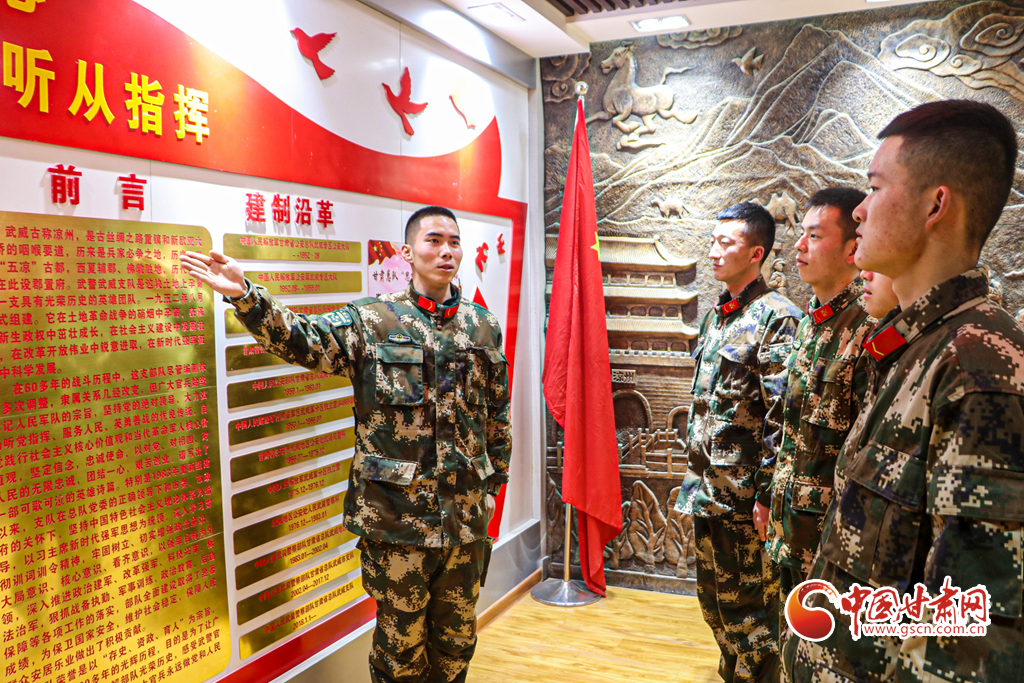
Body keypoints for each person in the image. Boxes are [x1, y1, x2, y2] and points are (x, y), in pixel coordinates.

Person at [180, 206, 511, 683]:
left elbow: (496, 415)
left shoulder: (482, 326)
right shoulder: (372, 320)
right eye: (434, 240)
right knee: (399, 655)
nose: (446, 252)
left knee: (456, 647)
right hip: (398, 523)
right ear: (407, 252)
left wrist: (493, 485)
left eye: (454, 242)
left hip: (465, 524)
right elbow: (305, 339)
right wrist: (246, 296)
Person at [786, 100, 1024, 681]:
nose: (860, 211)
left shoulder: (977, 369)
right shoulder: (916, 345)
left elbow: (972, 640)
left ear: (935, 205)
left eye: (874, 188)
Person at [676, 202, 802, 683]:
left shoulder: (777, 317)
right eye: (713, 241)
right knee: (715, 606)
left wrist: (767, 496)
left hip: (746, 503)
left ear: (756, 253)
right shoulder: (718, 317)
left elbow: (781, 417)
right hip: (709, 493)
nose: (713, 251)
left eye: (725, 243)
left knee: (752, 617)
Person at [760, 188, 874, 665]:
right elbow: (790, 428)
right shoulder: (812, 323)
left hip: (832, 546)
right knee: (788, 652)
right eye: (800, 234)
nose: (799, 246)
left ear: (852, 248)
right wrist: (769, 498)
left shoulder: (867, 328)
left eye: (815, 236)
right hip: (790, 529)